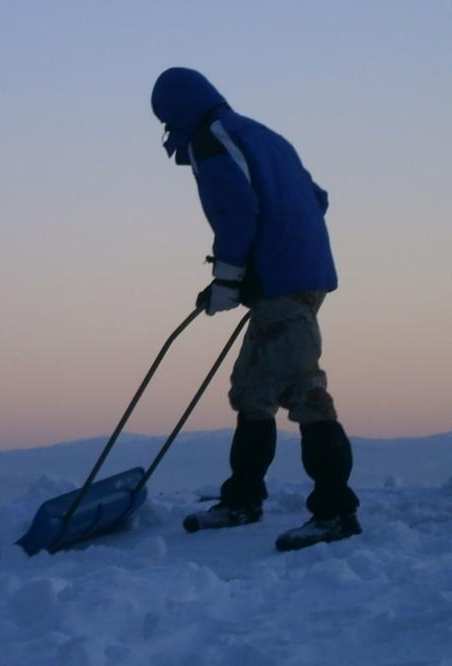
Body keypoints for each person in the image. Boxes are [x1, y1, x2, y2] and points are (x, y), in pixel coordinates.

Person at [149, 67, 361, 551]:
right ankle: (242, 499)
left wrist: (228, 279)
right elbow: (317, 199)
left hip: (285, 283)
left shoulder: (211, 141)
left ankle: (336, 512)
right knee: (253, 389)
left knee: (304, 390)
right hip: (298, 275)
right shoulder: (262, 135)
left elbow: (236, 213)